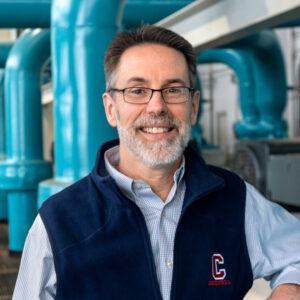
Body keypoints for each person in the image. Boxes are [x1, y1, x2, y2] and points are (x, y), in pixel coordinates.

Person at [13, 25, 300, 300]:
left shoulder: (236, 201)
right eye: (137, 91)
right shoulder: (59, 222)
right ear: (111, 109)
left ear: (194, 106)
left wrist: (290, 289)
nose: (157, 106)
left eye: (173, 89)